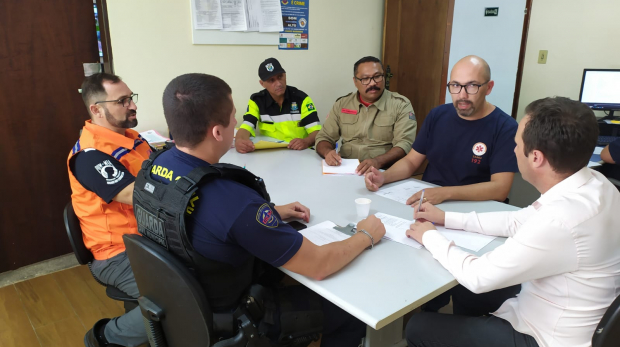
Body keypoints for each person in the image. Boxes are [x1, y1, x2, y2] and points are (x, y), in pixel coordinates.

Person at [139, 73, 386, 346]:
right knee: (349, 312)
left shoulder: (154, 166)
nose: (236, 121)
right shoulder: (233, 200)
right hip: (234, 317)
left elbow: (191, 217)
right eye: (232, 116)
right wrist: (366, 235)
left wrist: (273, 212)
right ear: (218, 132)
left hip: (181, 304)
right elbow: (318, 265)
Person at [405, 96, 620, 347]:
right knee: (462, 291)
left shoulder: (561, 219)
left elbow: (478, 276)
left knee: (419, 327)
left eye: (517, 143)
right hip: (561, 308)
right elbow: (518, 221)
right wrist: (446, 218)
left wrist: (429, 235)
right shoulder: (595, 183)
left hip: (546, 337)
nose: (514, 149)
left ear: (536, 157)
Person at [365, 55, 518, 205]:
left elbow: (500, 189)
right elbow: (411, 161)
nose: (462, 95)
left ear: (488, 88)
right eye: (456, 85)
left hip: (472, 207)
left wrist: (445, 193)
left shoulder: (505, 127)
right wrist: (384, 177)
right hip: (429, 201)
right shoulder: (437, 115)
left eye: (472, 86)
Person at [67, 73, 149, 346]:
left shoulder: (131, 137)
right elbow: (137, 194)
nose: (133, 106)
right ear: (96, 110)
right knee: (177, 301)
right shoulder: (90, 155)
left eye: (131, 98)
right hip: (118, 252)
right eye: (123, 101)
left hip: (149, 236)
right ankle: (105, 337)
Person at [315, 56, 417, 175]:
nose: (373, 83)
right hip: (346, 169)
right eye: (365, 79)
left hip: (384, 171)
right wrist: (328, 153)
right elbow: (324, 138)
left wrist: (378, 161)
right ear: (355, 81)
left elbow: (404, 144)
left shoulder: (400, 105)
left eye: (377, 76)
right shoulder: (342, 104)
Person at [235, 58, 322, 153]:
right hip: (271, 154)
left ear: (285, 75)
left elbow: (316, 132)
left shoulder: (302, 99)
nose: (278, 83)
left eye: (280, 77)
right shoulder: (257, 100)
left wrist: (306, 141)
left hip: (300, 152)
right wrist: (239, 141)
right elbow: (247, 126)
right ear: (262, 83)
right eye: (271, 80)